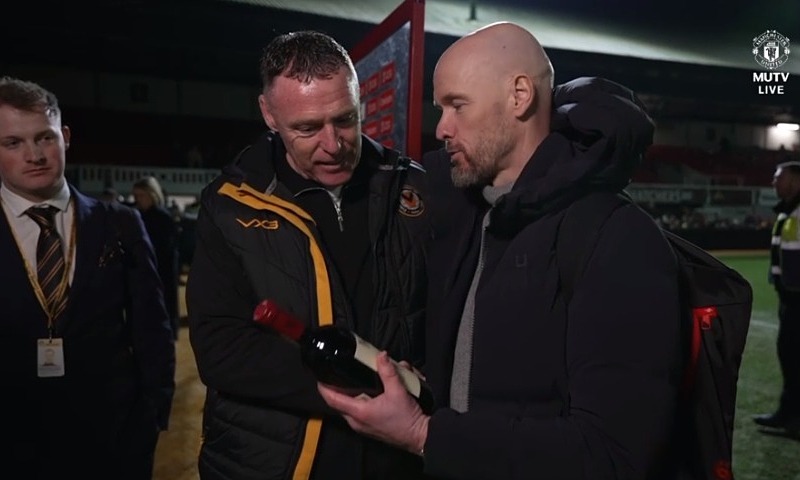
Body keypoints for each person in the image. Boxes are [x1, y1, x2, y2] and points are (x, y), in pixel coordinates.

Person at [318, 22, 687, 479]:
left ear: (519, 96)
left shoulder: (618, 238)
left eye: (457, 105)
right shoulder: (472, 211)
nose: (443, 129)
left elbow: (614, 455)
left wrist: (422, 433)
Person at [186, 31, 429, 480]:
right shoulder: (229, 205)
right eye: (308, 128)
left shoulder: (412, 188)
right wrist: (355, 391)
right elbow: (221, 349)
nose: (334, 144)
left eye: (345, 119)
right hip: (273, 459)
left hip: (396, 459)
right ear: (269, 115)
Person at [0, 77, 175, 478]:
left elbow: (152, 327)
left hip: (112, 439)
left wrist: (151, 417)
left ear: (64, 137)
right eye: (13, 143)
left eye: (44, 138)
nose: (34, 155)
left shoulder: (121, 223)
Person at [753, 161, 800, 435]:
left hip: (797, 300)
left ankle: (795, 421)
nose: (773, 183)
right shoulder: (787, 213)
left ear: (794, 181)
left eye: (778, 178)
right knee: (790, 358)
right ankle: (787, 414)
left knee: (795, 358)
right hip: (789, 298)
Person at [132, 175, 180, 339]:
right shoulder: (137, 215)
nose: (138, 200)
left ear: (152, 194)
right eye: (136, 196)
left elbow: (166, 251)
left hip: (161, 273)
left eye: (141, 196)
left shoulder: (163, 218)